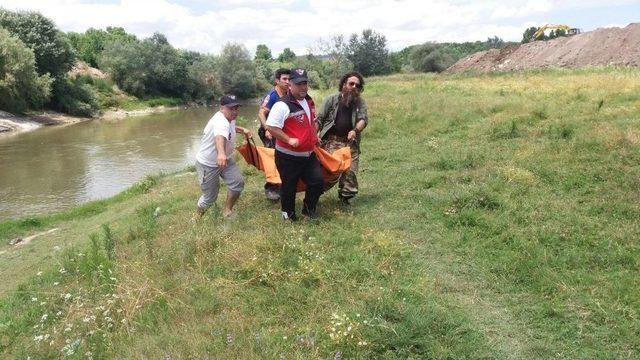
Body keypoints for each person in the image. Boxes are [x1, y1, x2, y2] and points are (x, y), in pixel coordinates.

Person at [265, 68, 323, 221]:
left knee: (317, 182)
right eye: (299, 84)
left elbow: (311, 122)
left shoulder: (309, 100)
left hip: (309, 154)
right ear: (290, 85)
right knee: (289, 187)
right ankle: (288, 216)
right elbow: (271, 126)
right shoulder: (282, 105)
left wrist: (314, 136)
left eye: (305, 83)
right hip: (288, 157)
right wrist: (288, 139)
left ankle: (308, 211)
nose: (303, 87)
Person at [195, 94, 252, 218]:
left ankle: (227, 210)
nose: (235, 111)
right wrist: (221, 153)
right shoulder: (221, 121)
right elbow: (219, 136)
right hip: (208, 163)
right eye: (231, 108)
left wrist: (242, 129)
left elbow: (230, 127)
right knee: (210, 198)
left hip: (226, 159)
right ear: (222, 108)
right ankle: (196, 217)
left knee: (237, 183)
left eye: (236, 108)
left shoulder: (229, 118)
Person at [316, 71, 368, 205]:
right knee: (329, 172)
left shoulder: (360, 102)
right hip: (332, 141)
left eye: (357, 85)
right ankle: (314, 193)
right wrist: (313, 136)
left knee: (350, 172)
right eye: (351, 83)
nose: (354, 87)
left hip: (350, 142)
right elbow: (319, 119)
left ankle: (345, 198)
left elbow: (363, 119)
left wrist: (355, 130)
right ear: (344, 84)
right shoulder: (331, 99)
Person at [257, 68, 290, 201]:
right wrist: (267, 129)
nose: (288, 82)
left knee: (284, 159)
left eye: (289, 79)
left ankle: (283, 186)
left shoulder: (289, 94)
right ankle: (271, 189)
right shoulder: (272, 95)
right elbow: (261, 113)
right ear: (277, 81)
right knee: (273, 160)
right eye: (284, 79)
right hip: (269, 131)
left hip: (281, 131)